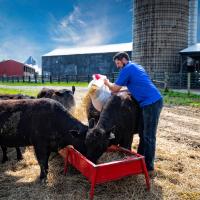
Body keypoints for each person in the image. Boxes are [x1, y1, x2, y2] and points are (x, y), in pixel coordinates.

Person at [104, 52, 163, 176]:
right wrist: (121, 90)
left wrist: (106, 82)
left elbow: (114, 88)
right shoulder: (136, 66)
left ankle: (149, 167)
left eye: (119, 63)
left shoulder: (127, 69)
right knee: (142, 132)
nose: (118, 66)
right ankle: (139, 159)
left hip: (151, 102)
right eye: (117, 64)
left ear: (124, 59)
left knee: (148, 135)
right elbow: (133, 86)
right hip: (150, 101)